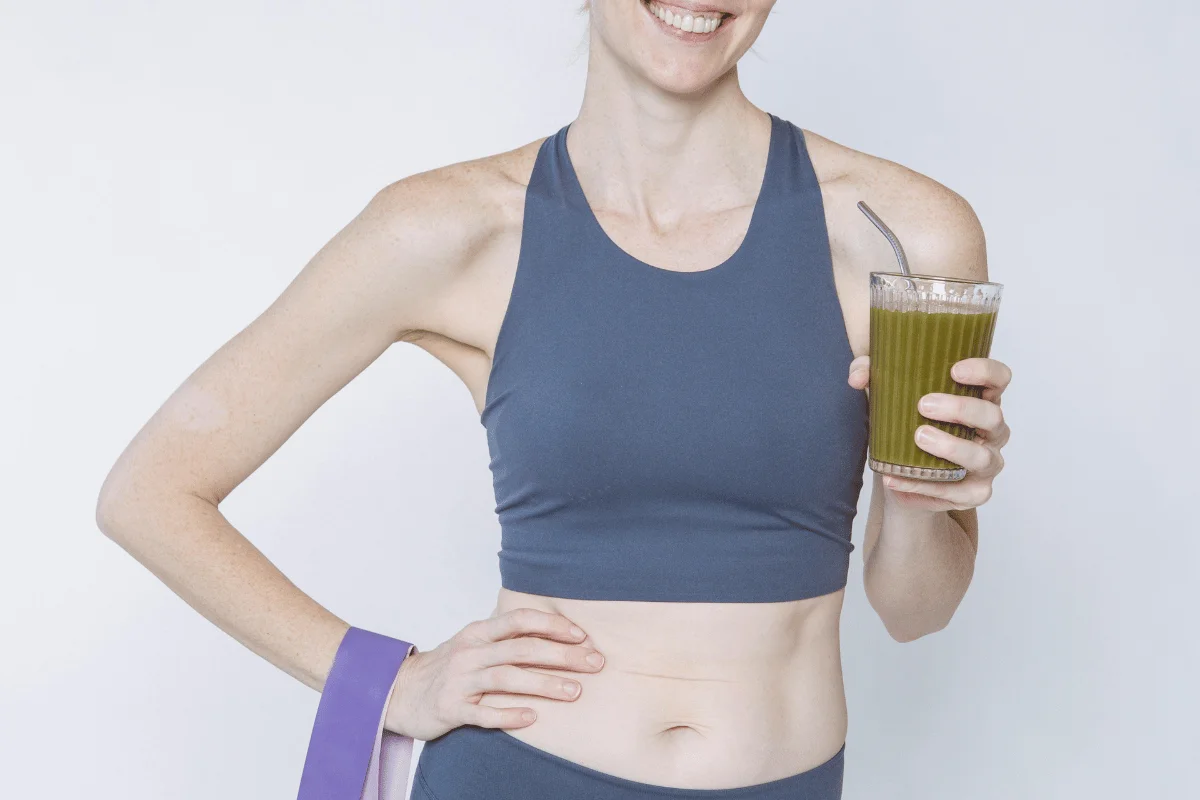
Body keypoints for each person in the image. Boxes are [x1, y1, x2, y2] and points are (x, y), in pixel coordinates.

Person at [95, 1, 1014, 798]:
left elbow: (913, 611)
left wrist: (927, 501)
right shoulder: (454, 227)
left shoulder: (901, 236)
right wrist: (394, 683)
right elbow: (150, 494)